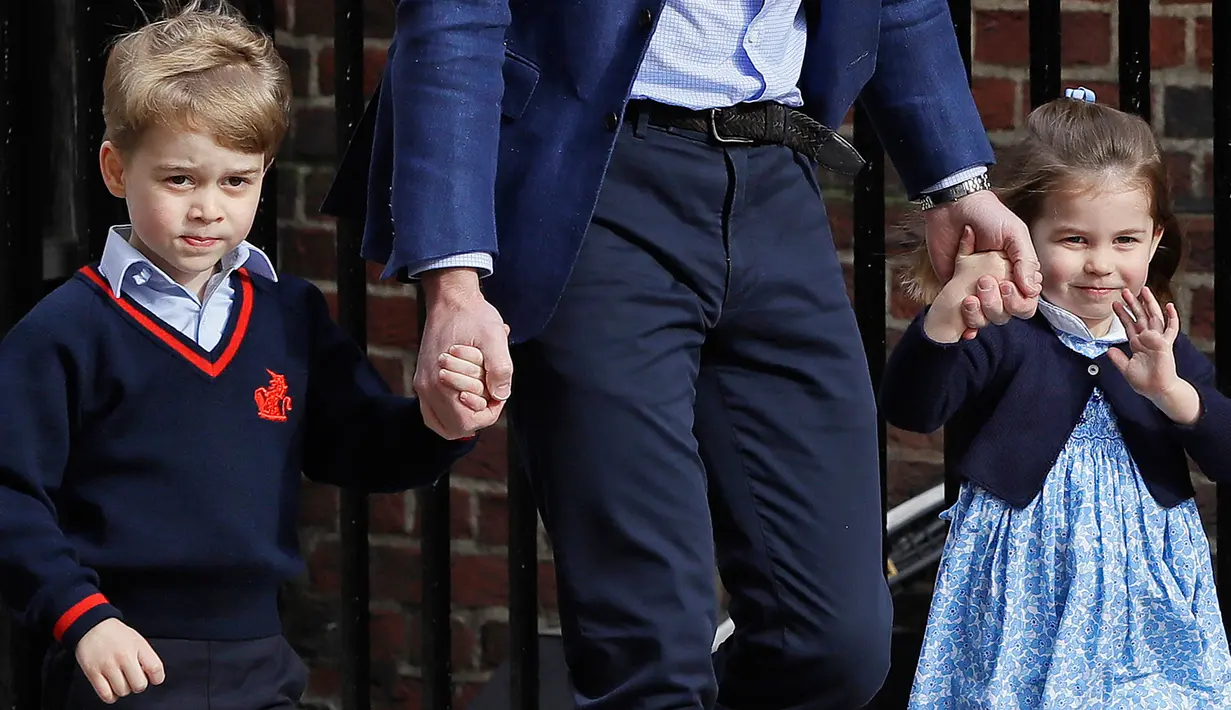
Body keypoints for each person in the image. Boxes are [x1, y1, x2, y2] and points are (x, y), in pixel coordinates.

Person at [323, 0, 1044, 707]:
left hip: (778, 181)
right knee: (648, 655)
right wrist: (453, 286)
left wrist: (954, 183)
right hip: (593, 186)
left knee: (832, 645)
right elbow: (457, 16)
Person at [0, 3, 491, 707]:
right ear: (115, 169)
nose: (208, 208)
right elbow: (11, 496)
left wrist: (437, 424)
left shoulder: (290, 315)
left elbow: (354, 443)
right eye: (179, 180)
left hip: (261, 656)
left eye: (236, 181)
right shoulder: (65, 330)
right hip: (119, 657)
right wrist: (80, 616)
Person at [882, 92, 1231, 708]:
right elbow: (913, 408)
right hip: (1021, 576)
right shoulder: (1005, 334)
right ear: (1027, 235)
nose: (1101, 264)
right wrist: (944, 314)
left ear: (1154, 243)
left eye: (1125, 240)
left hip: (1145, 582)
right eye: (1074, 238)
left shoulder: (1159, 345)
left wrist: (1174, 394)